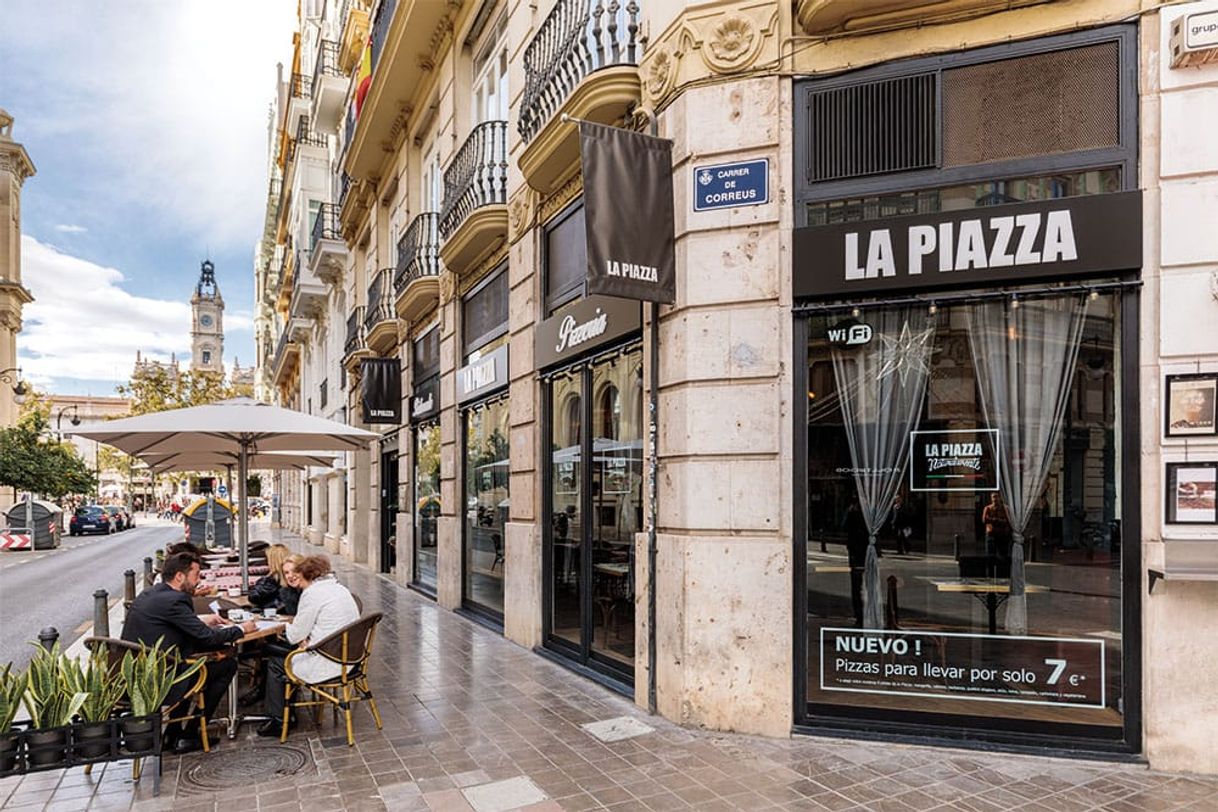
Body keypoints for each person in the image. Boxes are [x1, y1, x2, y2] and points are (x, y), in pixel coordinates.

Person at [121, 552, 257, 753]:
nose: (198, 580)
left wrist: (201, 620)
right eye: (196, 575)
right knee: (226, 666)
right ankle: (190, 734)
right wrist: (242, 629)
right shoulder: (176, 600)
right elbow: (207, 638)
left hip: (138, 676)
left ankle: (173, 735)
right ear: (179, 577)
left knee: (188, 666)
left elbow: (168, 623)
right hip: (163, 678)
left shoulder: (151, 594)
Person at [257, 555, 359, 736]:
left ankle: (280, 721)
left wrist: (286, 625)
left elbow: (295, 634)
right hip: (350, 658)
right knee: (284, 653)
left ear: (306, 576)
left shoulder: (312, 593)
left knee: (275, 662)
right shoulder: (340, 588)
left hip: (328, 662)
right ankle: (284, 714)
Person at [249, 546, 303, 616]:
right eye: (287, 572)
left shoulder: (271, 582)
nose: (290, 575)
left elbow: (253, 597)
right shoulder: (286, 590)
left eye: (295, 570)